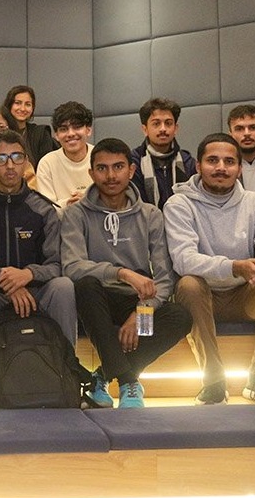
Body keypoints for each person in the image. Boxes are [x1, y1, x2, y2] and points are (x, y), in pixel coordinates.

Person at [165, 133, 255, 405]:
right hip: (201, 298)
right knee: (188, 283)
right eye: (212, 161)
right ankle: (213, 381)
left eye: (229, 162)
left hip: (245, 295)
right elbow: (183, 259)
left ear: (239, 169)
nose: (221, 168)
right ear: (198, 166)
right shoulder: (178, 204)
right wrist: (235, 267)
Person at [62, 138, 192, 408]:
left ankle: (102, 377)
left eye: (118, 167)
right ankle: (127, 380)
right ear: (91, 173)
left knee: (179, 316)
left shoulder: (150, 214)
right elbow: (72, 267)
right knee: (85, 285)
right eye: (102, 168)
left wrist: (140, 312)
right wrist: (121, 273)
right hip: (95, 305)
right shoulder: (76, 214)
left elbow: (164, 279)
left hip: (138, 304)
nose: (111, 175)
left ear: (131, 170)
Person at [0, 130, 76, 380]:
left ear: (26, 162)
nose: (10, 165)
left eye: (16, 157)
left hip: (36, 291)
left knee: (64, 286)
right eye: (1, 159)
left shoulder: (44, 209)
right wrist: (8, 281)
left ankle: (67, 374)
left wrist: (27, 275)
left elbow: (57, 264)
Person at [129, 97, 195, 209]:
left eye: (168, 123)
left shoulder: (188, 162)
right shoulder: (134, 163)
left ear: (175, 129)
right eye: (156, 124)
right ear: (145, 129)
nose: (163, 129)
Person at [36, 101, 95, 209]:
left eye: (77, 127)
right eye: (63, 129)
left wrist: (90, 202)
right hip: (61, 220)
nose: (71, 134)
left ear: (88, 130)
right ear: (56, 135)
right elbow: (45, 209)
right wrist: (69, 204)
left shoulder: (101, 157)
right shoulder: (47, 163)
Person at [3, 85, 58, 168]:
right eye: (17, 103)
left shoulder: (41, 134)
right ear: (9, 105)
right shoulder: (1, 133)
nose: (23, 109)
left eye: (28, 104)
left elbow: (47, 167)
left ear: (32, 108)